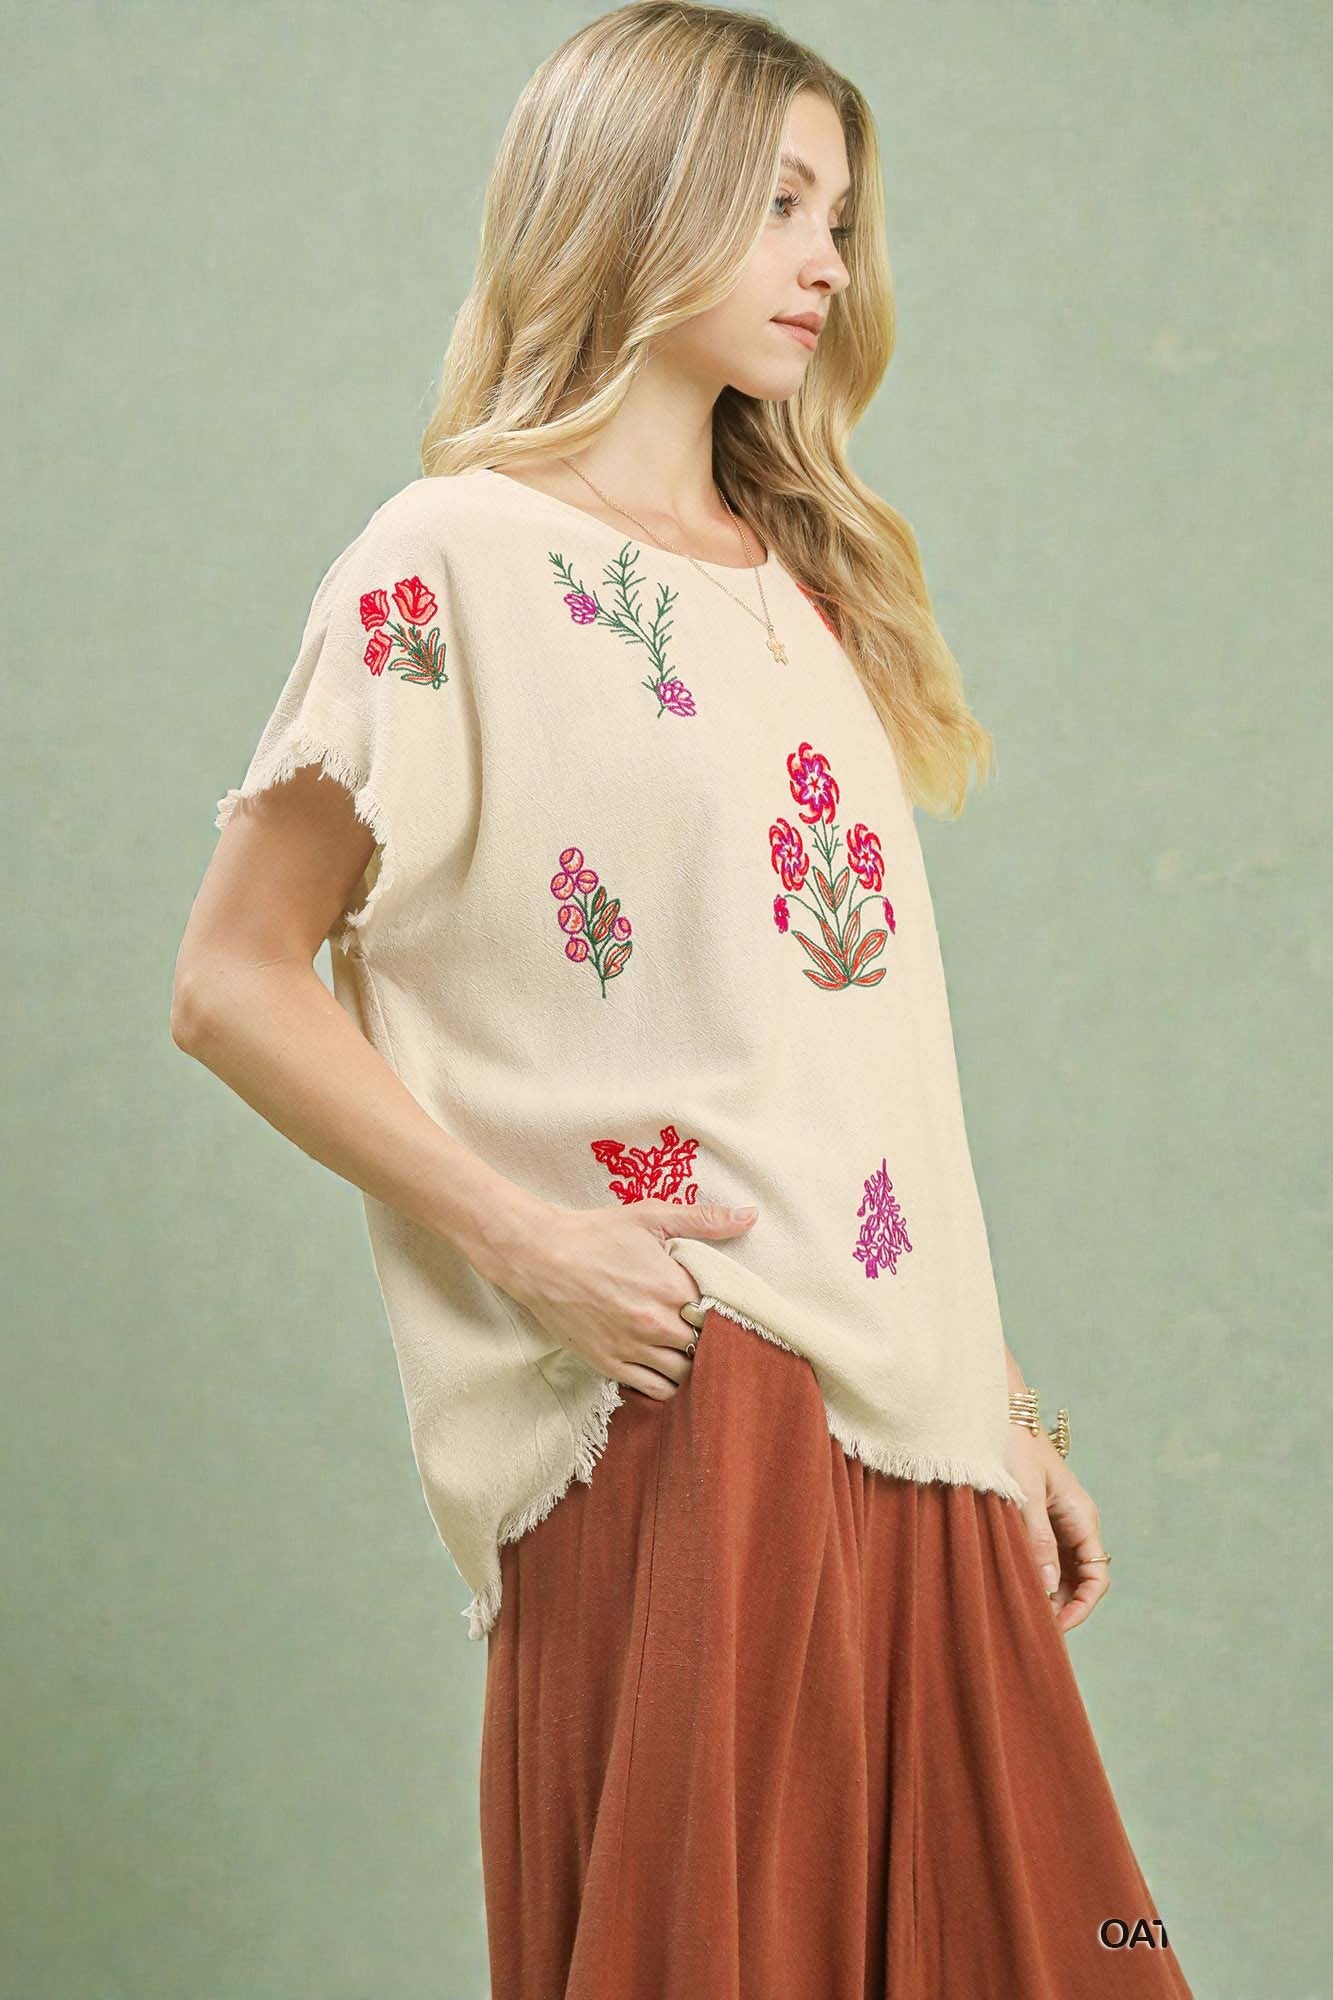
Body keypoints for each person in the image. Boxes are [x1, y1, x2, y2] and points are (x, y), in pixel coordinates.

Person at [172, 4, 1195, 1994]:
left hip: (907, 1422)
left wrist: (992, 1404)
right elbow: (228, 978)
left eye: (841, 213)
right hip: (679, 1410)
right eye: (781, 204)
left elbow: (854, 1060)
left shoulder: (800, 584)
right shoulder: (447, 561)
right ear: (641, 204)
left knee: (1066, 1950)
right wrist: (532, 1243)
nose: (832, 259)